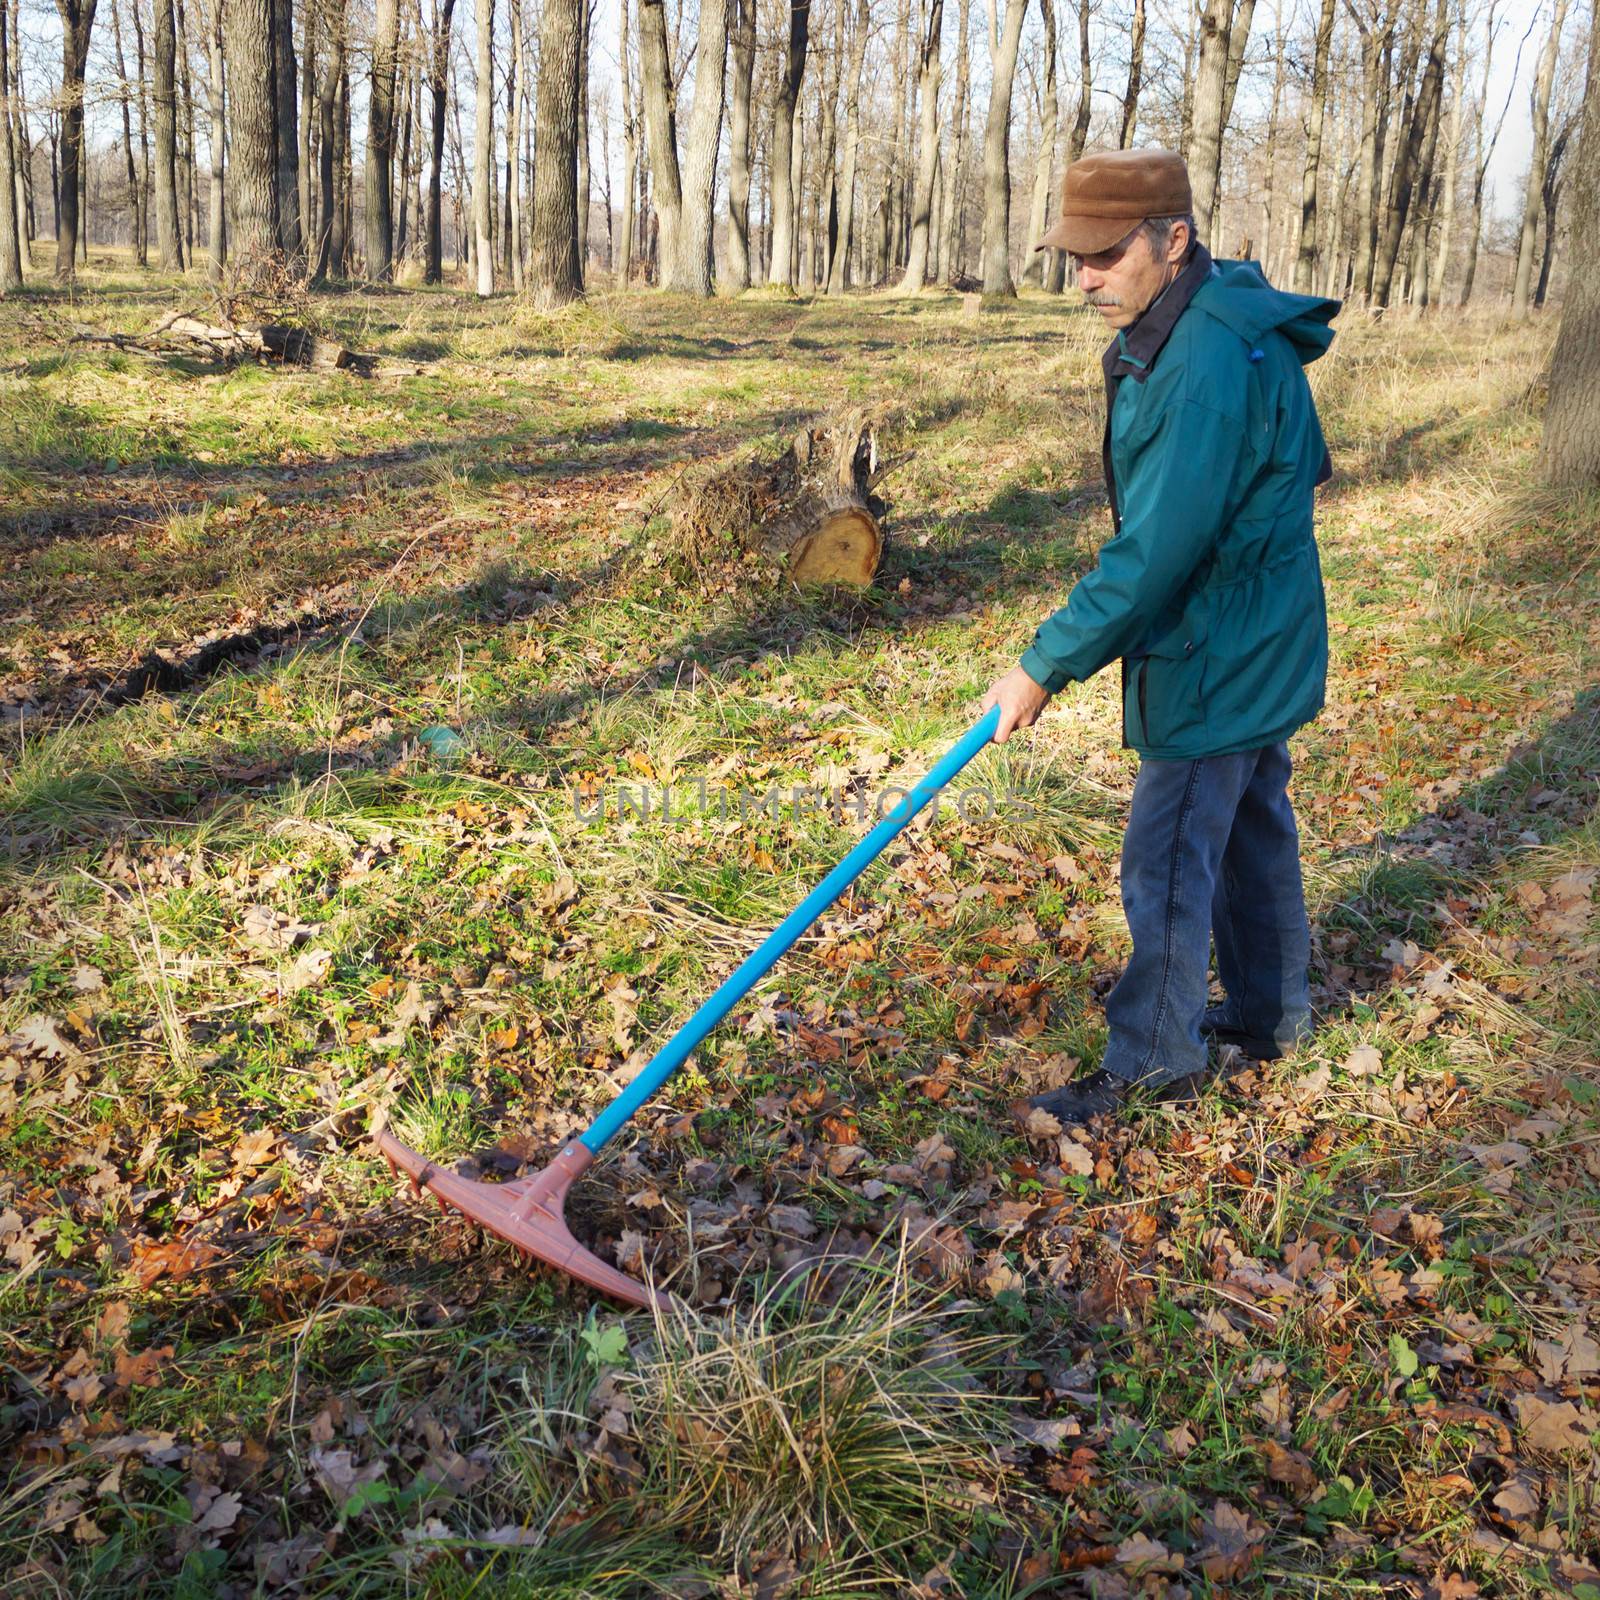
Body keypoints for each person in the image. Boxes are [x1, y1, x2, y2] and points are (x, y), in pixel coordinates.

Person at [979, 148, 1341, 1125]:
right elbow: (1303, 468)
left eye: (1105, 255)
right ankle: (1270, 1016)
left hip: (1216, 650)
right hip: (1259, 633)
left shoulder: (1203, 364)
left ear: (1172, 240)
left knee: (1170, 854)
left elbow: (1153, 555)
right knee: (1249, 826)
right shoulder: (1226, 310)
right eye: (1074, 258)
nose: (1086, 277)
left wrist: (1041, 666)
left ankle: (1151, 1060)